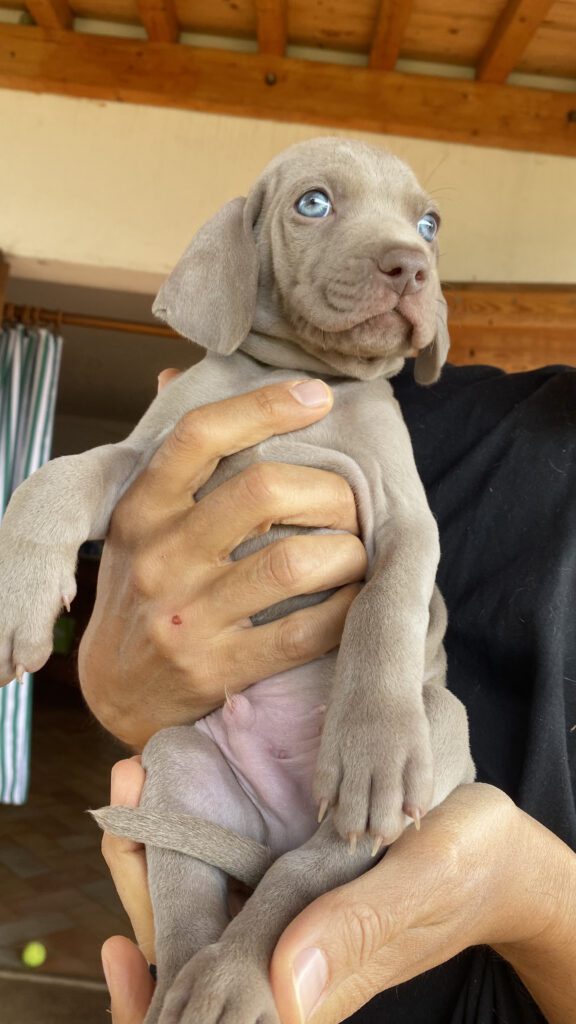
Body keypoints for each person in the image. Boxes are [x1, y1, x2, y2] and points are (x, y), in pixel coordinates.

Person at [79, 363, 576, 1024]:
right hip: (239, 861)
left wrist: (536, 900)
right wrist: (123, 680)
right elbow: (162, 616)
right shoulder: (373, 392)